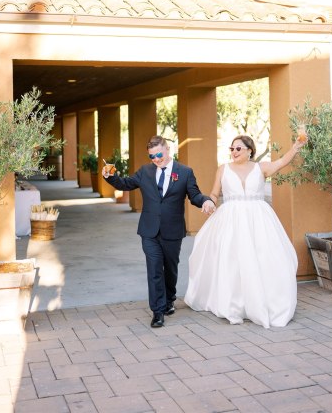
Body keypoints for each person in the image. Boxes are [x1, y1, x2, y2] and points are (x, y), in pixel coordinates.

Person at [184, 133, 307, 328]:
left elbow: (282, 161)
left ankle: (264, 301)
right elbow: (215, 193)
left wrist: (296, 146)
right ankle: (235, 303)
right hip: (230, 219)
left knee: (263, 257)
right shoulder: (223, 169)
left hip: (258, 219)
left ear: (250, 150)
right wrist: (209, 203)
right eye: (231, 149)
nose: (234, 152)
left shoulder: (261, 168)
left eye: (238, 148)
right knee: (232, 260)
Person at [102, 135, 215, 328]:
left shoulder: (185, 172)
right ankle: (158, 311)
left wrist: (205, 200)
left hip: (173, 229)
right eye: (152, 156)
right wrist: (110, 176)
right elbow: (126, 184)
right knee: (154, 268)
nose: (156, 159)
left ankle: (170, 298)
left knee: (170, 269)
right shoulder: (145, 171)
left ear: (168, 150)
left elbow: (194, 194)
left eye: (159, 154)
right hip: (149, 230)